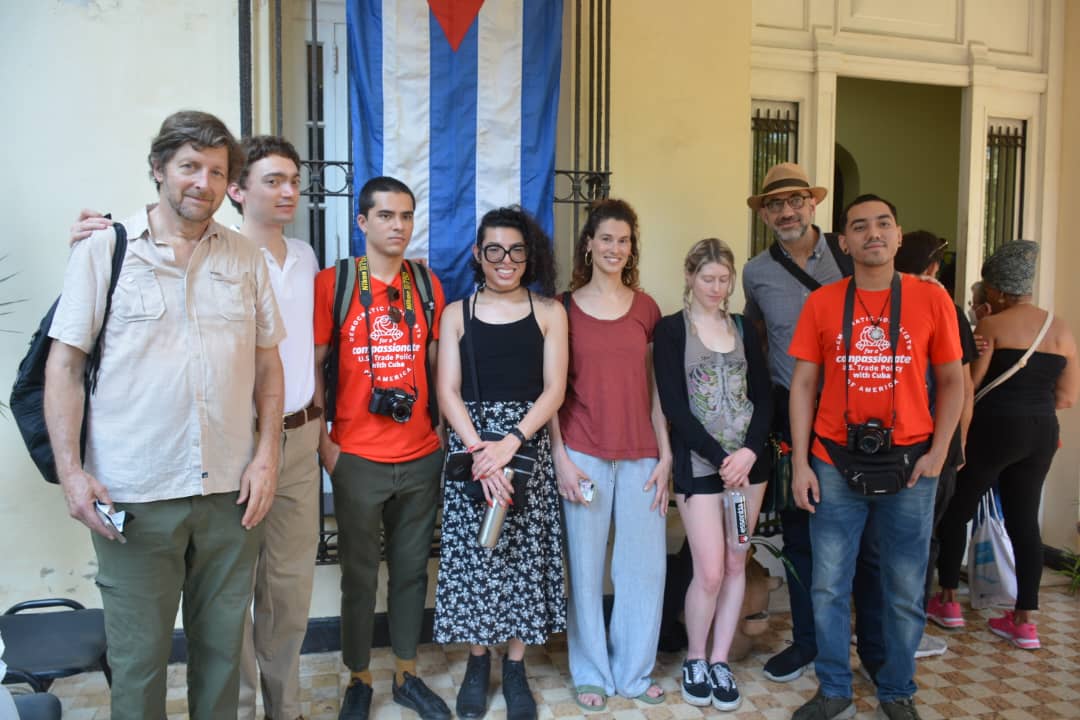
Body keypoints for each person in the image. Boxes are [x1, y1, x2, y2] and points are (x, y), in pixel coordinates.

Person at [71, 134, 323, 720]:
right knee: (186, 628)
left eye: (295, 180)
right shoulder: (143, 250)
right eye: (272, 180)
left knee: (276, 599)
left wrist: (303, 438)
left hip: (280, 446)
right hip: (186, 465)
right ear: (237, 190)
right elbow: (72, 358)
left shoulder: (295, 258)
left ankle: (282, 709)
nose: (288, 191)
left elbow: (295, 360)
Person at [788, 194, 963, 720]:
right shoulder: (822, 302)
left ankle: (897, 690)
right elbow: (802, 385)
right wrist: (800, 463)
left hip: (913, 465)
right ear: (843, 242)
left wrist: (938, 452)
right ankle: (835, 688)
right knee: (829, 584)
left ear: (898, 234)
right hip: (833, 461)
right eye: (859, 227)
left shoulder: (932, 301)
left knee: (906, 586)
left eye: (883, 223)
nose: (872, 234)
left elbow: (955, 380)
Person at [313, 177, 450, 720]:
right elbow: (314, 365)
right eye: (387, 215)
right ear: (362, 222)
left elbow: (439, 366)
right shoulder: (337, 282)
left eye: (407, 216)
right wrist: (326, 445)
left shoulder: (427, 283)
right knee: (359, 574)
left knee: (413, 571)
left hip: (419, 453)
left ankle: (407, 673)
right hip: (357, 457)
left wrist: (441, 436)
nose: (398, 226)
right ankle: (359, 678)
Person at [742, 162, 884, 684]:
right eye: (776, 204)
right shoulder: (755, 271)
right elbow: (757, 340)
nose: (786, 211)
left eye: (795, 200)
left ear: (813, 204)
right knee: (800, 536)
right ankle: (807, 643)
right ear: (766, 214)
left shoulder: (849, 257)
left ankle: (870, 649)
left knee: (866, 539)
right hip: (790, 414)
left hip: (856, 414)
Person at [434, 206, 567, 720]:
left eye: (515, 250)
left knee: (519, 558)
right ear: (478, 255)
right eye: (494, 250)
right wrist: (480, 454)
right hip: (472, 446)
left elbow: (554, 389)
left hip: (526, 444)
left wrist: (511, 442)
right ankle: (475, 663)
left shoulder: (550, 312)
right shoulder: (455, 314)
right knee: (475, 557)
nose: (505, 260)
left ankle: (514, 667)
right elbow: (448, 390)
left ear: (527, 255)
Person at [551, 199, 670, 711]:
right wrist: (560, 456)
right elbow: (551, 391)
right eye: (606, 239)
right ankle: (592, 672)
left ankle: (634, 671)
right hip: (584, 453)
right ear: (588, 244)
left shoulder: (647, 309)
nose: (615, 249)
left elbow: (656, 390)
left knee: (643, 570)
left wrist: (666, 456)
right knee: (584, 565)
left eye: (623, 240)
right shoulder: (563, 308)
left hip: (643, 454)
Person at [930, 240, 1078, 650]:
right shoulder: (1061, 328)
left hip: (994, 429)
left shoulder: (992, 326)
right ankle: (1025, 621)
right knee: (1024, 521)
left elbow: (968, 386)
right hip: (1042, 431)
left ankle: (946, 602)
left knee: (957, 510)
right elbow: (1067, 397)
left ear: (995, 291)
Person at [654, 238, 771, 712]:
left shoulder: (744, 327)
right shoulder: (670, 330)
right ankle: (696, 658)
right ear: (690, 276)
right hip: (701, 470)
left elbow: (764, 397)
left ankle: (721, 660)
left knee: (737, 560)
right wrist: (719, 456)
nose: (716, 288)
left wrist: (747, 452)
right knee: (708, 570)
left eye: (724, 280)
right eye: (708, 278)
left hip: (748, 472)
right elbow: (672, 405)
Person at [894, 230, 978, 660]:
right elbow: (960, 386)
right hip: (931, 449)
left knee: (887, 544)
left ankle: (879, 626)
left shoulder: (885, 303)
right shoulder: (943, 306)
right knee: (922, 542)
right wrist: (954, 447)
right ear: (930, 267)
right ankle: (910, 631)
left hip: (899, 446)